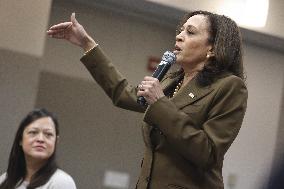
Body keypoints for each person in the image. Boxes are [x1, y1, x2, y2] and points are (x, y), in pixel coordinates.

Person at [47, 10, 248, 189]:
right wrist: (86, 43)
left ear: (212, 49)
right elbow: (123, 94)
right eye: (180, 30)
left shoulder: (229, 86)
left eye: (190, 32)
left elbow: (208, 153)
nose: (179, 36)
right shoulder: (170, 80)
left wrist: (160, 103)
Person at [0, 108, 77, 189]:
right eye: (33, 132)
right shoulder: (5, 179)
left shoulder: (61, 182)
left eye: (48, 134)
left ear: (56, 141)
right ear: (20, 139)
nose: (40, 139)